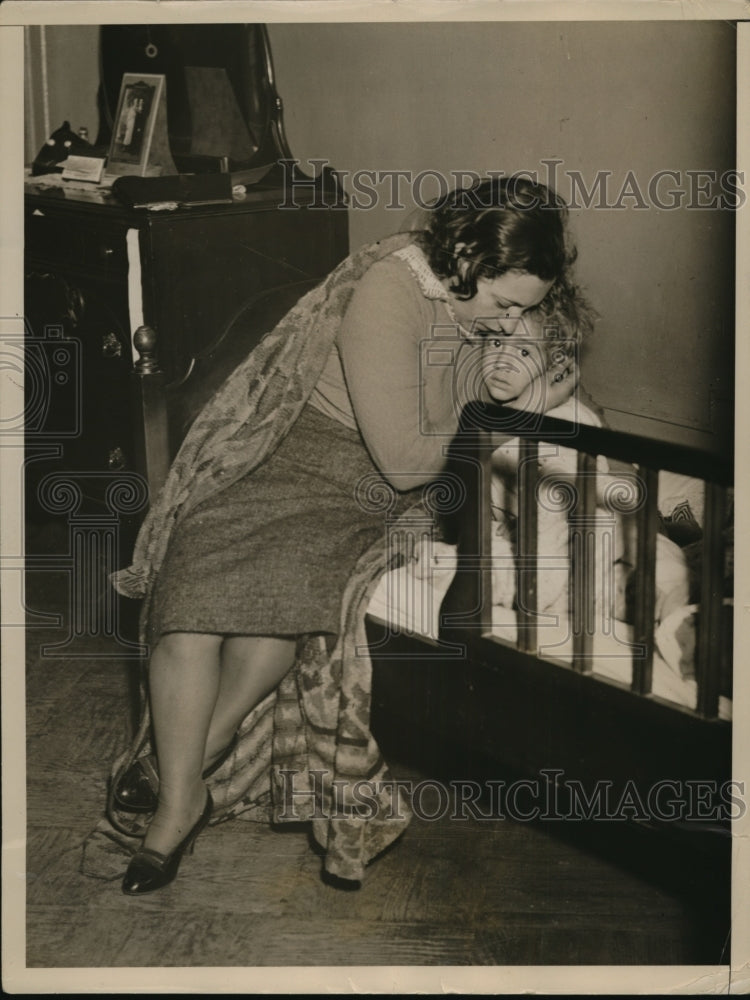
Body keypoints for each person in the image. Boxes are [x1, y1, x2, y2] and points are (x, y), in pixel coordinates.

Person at [110, 175, 589, 895]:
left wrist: (532, 388)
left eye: (524, 307)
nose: (511, 319)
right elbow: (407, 461)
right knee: (189, 602)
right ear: (466, 261)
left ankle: (180, 787)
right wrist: (507, 409)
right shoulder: (392, 291)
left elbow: (500, 393)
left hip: (362, 494)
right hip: (303, 457)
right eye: (504, 303)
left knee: (278, 603)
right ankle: (188, 786)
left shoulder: (492, 309)